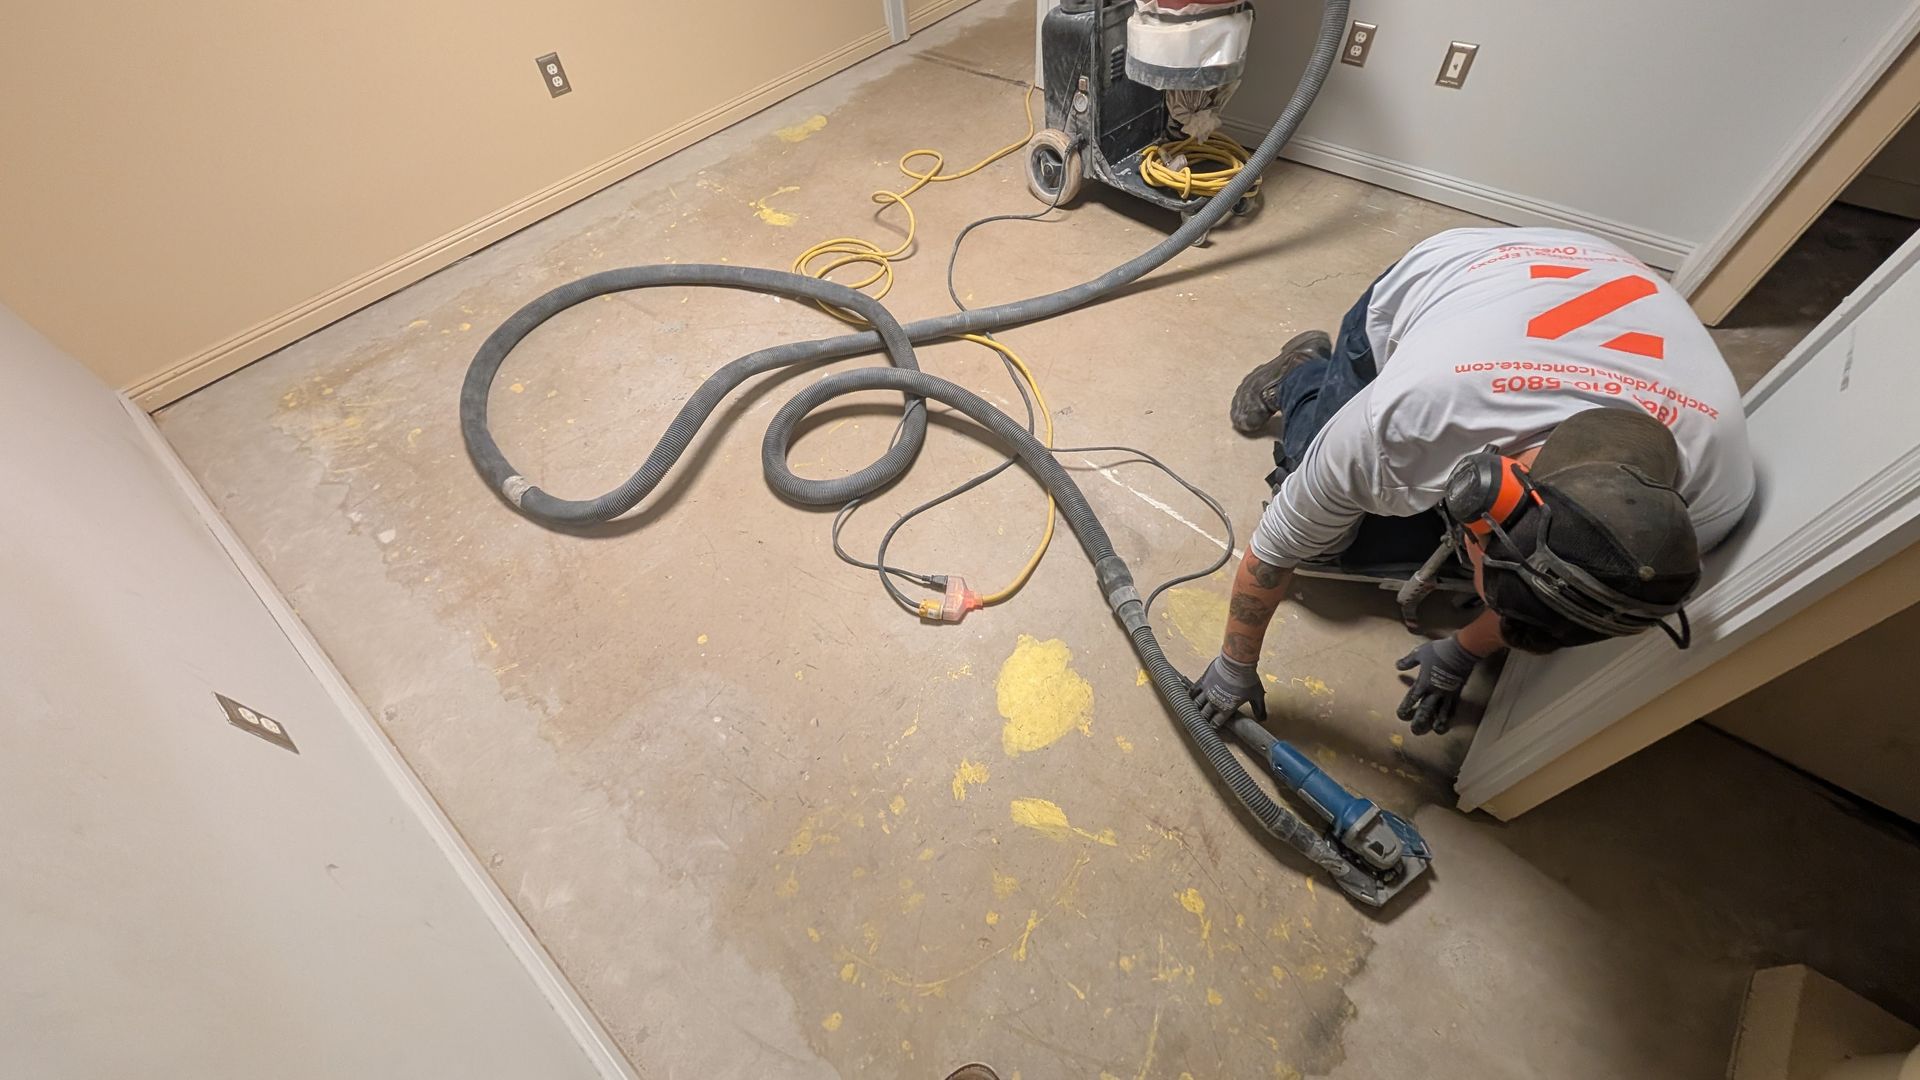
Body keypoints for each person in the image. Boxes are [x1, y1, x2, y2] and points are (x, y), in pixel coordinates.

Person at [1190, 227, 1756, 735]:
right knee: (1327, 543)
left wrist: (1462, 652)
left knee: (1424, 548)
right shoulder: (1405, 418)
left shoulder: (1707, 502)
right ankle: (1301, 374)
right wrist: (1234, 666)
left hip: (1607, 282)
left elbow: (1567, 589)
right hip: (1458, 270)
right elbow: (1274, 550)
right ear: (1484, 489)